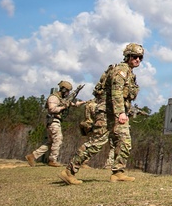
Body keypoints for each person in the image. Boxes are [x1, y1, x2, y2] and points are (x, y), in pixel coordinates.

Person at [60, 43, 142, 185]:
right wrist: (121, 112)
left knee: (125, 141)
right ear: (128, 56)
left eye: (140, 57)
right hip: (107, 113)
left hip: (117, 114)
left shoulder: (129, 73)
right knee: (97, 142)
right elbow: (116, 93)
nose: (138, 60)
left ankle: (118, 172)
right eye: (135, 57)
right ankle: (69, 171)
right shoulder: (120, 71)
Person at [26, 81, 84, 167]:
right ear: (64, 90)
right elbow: (52, 109)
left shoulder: (61, 99)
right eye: (67, 91)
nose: (68, 93)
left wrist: (80, 103)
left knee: (50, 142)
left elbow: (71, 103)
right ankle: (52, 160)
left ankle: (32, 156)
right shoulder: (54, 97)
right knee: (58, 139)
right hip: (53, 120)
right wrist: (64, 107)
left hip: (55, 121)